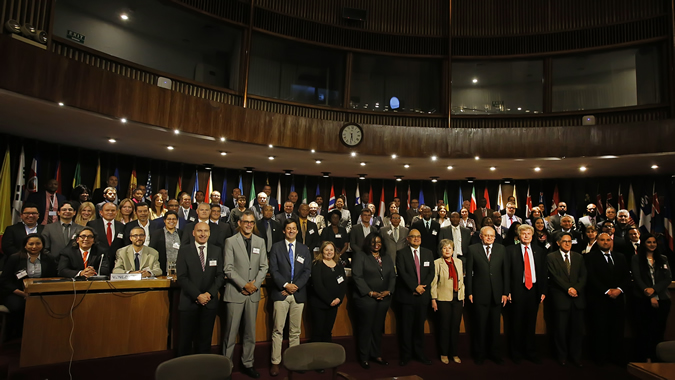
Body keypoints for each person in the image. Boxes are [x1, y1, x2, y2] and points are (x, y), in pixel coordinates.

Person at [223, 211, 268, 378]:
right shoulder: (230, 241)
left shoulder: (260, 242)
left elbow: (264, 267)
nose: (249, 225)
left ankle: (248, 363)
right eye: (246, 222)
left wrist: (254, 285)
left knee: (250, 332)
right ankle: (226, 366)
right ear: (240, 223)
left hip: (253, 294)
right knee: (230, 333)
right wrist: (244, 285)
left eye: (251, 222)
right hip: (235, 292)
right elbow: (228, 268)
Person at [268, 219, 312, 377]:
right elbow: (273, 270)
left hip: (298, 294)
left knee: (295, 331)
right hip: (281, 294)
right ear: (284, 231)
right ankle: (275, 362)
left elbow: (307, 270)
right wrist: (286, 285)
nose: (291, 231)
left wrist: (295, 286)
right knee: (278, 330)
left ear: (297, 231)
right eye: (288, 228)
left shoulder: (304, 249)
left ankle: (295, 361)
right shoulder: (276, 247)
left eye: (294, 228)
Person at [176, 222, 224, 356]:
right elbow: (182, 277)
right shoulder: (184, 250)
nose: (203, 234)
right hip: (189, 303)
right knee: (185, 341)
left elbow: (220, 276)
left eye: (206, 231)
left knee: (205, 341)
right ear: (193, 233)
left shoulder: (216, 250)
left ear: (209, 233)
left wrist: (209, 294)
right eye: (199, 231)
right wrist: (198, 295)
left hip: (210, 303)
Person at [585, 232, 630, 365]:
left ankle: (616, 357)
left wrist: (619, 290)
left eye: (608, 240)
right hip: (599, 300)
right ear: (597, 241)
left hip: (618, 299)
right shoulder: (589, 257)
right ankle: (600, 359)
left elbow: (627, 277)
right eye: (602, 240)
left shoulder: (620, 257)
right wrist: (606, 291)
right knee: (599, 330)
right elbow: (591, 277)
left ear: (611, 241)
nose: (605, 242)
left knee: (617, 330)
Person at [0, 234, 57, 338]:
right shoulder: (15, 258)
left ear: (43, 245)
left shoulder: (49, 258)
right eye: (31, 244)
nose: (34, 247)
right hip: (16, 292)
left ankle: (42, 334)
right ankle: (19, 334)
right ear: (25, 245)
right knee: (19, 307)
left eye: (38, 243)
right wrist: (23, 293)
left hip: (40, 292)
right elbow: (4, 281)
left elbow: (52, 277)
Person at [351, 233, 395, 369]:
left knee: (377, 328)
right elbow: (357, 276)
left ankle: (376, 354)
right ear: (368, 243)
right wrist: (370, 293)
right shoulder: (361, 256)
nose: (376, 244)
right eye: (373, 242)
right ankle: (364, 357)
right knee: (366, 328)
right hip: (366, 299)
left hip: (383, 299)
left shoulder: (387, 258)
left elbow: (392, 276)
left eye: (379, 242)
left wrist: (389, 290)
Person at [466, 226, 509, 365]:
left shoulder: (501, 249)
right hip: (479, 294)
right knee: (480, 326)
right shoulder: (473, 249)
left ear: (495, 237)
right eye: (486, 235)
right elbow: (469, 274)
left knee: (495, 327)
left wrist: (505, 292)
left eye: (492, 235)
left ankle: (495, 354)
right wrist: (470, 292)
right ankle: (479, 354)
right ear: (481, 236)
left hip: (497, 295)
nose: (489, 238)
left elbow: (505, 273)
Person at [506, 224, 547, 364]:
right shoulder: (510, 250)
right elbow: (507, 273)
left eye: (529, 233)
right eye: (523, 233)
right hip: (517, 291)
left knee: (531, 324)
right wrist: (508, 291)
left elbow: (543, 272)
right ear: (519, 235)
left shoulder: (539, 251)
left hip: (534, 291)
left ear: (532, 235)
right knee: (516, 323)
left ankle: (530, 352)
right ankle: (516, 353)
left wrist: (542, 291)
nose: (526, 236)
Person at [547, 232, 587, 367]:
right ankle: (562, 356)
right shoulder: (551, 257)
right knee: (560, 330)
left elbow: (583, 276)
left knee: (577, 330)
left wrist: (576, 288)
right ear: (558, 243)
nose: (568, 244)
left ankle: (576, 357)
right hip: (561, 298)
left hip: (577, 299)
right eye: (565, 241)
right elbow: (554, 276)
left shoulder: (578, 257)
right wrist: (568, 288)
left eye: (570, 241)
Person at [397, 229, 435, 366]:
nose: (416, 239)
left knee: (420, 327)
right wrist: (414, 287)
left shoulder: (428, 253)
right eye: (413, 237)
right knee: (406, 328)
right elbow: (402, 272)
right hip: (407, 297)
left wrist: (422, 287)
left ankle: (419, 354)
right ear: (408, 239)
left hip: (422, 296)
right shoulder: (401, 253)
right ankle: (406, 355)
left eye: (418, 236)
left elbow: (431, 272)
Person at [631, 234, 671, 362]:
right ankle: (644, 358)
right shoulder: (636, 258)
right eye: (649, 242)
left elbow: (668, 278)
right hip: (642, 299)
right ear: (644, 244)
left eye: (654, 242)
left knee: (658, 329)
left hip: (663, 299)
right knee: (643, 330)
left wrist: (655, 290)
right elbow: (637, 278)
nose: (652, 244)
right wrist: (650, 295)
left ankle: (656, 358)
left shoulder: (663, 259)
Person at [431, 239, 465, 364]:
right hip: (443, 299)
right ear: (441, 250)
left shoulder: (459, 262)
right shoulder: (436, 263)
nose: (447, 250)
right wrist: (433, 299)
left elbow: (462, 280)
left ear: (453, 249)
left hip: (457, 298)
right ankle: (444, 353)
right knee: (444, 327)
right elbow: (433, 283)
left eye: (449, 248)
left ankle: (454, 353)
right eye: (444, 248)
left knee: (455, 327)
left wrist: (463, 297)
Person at [310, 241, 347, 343]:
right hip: (319, 304)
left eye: (331, 250)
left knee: (327, 331)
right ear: (322, 251)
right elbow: (318, 285)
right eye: (326, 250)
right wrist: (329, 300)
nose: (329, 252)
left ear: (335, 251)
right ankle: (316, 357)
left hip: (334, 305)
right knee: (318, 331)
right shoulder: (317, 264)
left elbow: (343, 284)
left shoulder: (339, 264)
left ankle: (327, 357)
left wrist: (339, 298)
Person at [1, 203, 44, 269]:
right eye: (27, 213)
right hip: (16, 264)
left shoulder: (45, 229)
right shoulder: (11, 229)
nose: (30, 215)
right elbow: (7, 247)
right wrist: (24, 256)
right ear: (21, 215)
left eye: (34, 213)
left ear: (38, 215)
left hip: (41, 263)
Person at [87, 202, 126, 269]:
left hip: (116, 262)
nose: (110, 212)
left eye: (113, 210)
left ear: (116, 212)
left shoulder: (121, 226)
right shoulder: (92, 225)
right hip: (97, 261)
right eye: (107, 210)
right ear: (101, 212)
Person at [149, 210, 182, 275]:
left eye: (174, 219)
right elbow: (152, 251)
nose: (171, 221)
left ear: (177, 220)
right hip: (163, 268)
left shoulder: (181, 233)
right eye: (169, 219)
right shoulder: (157, 234)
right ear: (164, 220)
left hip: (179, 269)